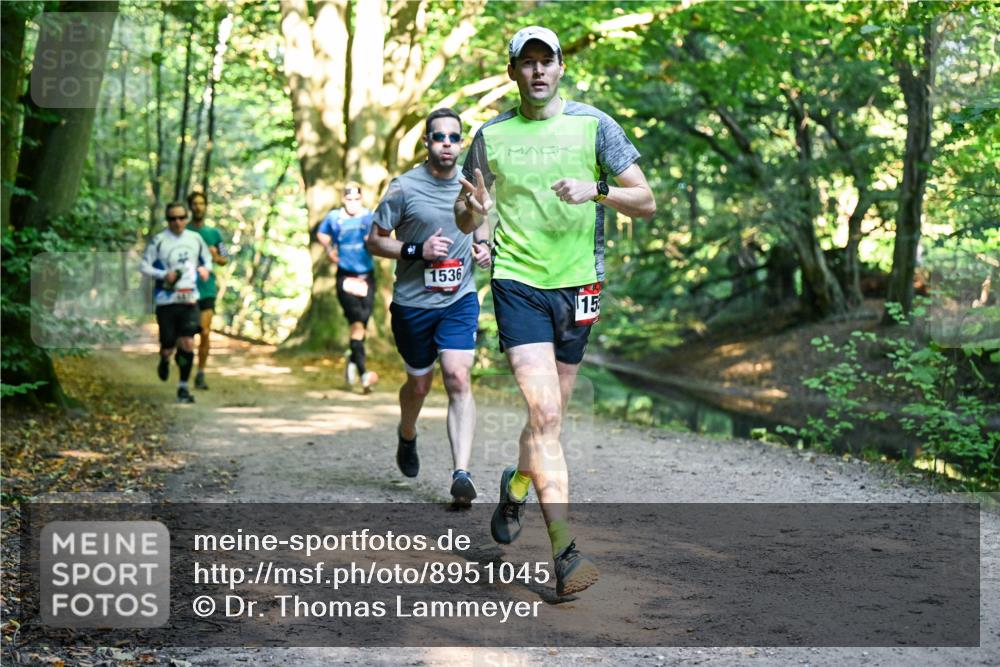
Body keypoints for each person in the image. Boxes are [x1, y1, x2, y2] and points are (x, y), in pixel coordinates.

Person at [455, 26, 656, 596]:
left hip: (579, 287)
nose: (538, 72)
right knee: (544, 414)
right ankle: (564, 552)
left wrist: (597, 189)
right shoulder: (490, 136)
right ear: (513, 71)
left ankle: (517, 483)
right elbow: (468, 216)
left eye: (547, 62)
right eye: (527, 63)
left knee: (550, 418)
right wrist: (473, 213)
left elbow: (646, 201)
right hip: (517, 283)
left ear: (561, 67)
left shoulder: (596, 126)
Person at [367, 108, 492, 507]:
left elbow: (480, 219)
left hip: (458, 299)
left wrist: (483, 246)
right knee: (419, 385)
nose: (447, 144)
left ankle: (461, 475)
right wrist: (416, 250)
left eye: (454, 138)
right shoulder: (403, 187)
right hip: (412, 305)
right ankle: (407, 432)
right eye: (439, 137)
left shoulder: (470, 184)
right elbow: (375, 240)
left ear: (460, 142)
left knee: (457, 377)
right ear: (427, 142)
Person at [140, 201, 214, 403]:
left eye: (181, 218)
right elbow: (144, 266)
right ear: (168, 220)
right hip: (167, 301)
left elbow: (216, 257)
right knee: (168, 346)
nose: (178, 222)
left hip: (193, 297)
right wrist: (164, 275)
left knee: (189, 342)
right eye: (173, 218)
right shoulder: (160, 240)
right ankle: (165, 358)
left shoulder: (206, 235)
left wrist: (207, 267)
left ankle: (185, 384)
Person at [317, 182, 378, 392]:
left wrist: (373, 241)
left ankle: (351, 361)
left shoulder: (369, 217)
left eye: (356, 199)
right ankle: (364, 375)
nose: (353, 203)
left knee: (362, 326)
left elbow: (381, 237)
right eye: (349, 199)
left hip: (367, 276)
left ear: (361, 199)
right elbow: (322, 234)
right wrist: (328, 249)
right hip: (346, 277)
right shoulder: (335, 217)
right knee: (357, 324)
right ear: (344, 199)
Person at [186, 191, 228, 390]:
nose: (198, 207)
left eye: (201, 203)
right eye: (194, 203)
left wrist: (215, 255)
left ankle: (201, 373)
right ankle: (184, 373)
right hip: (184, 290)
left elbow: (225, 258)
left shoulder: (215, 234)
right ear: (190, 207)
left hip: (207, 290)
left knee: (204, 331)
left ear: (206, 206)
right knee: (186, 335)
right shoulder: (182, 231)